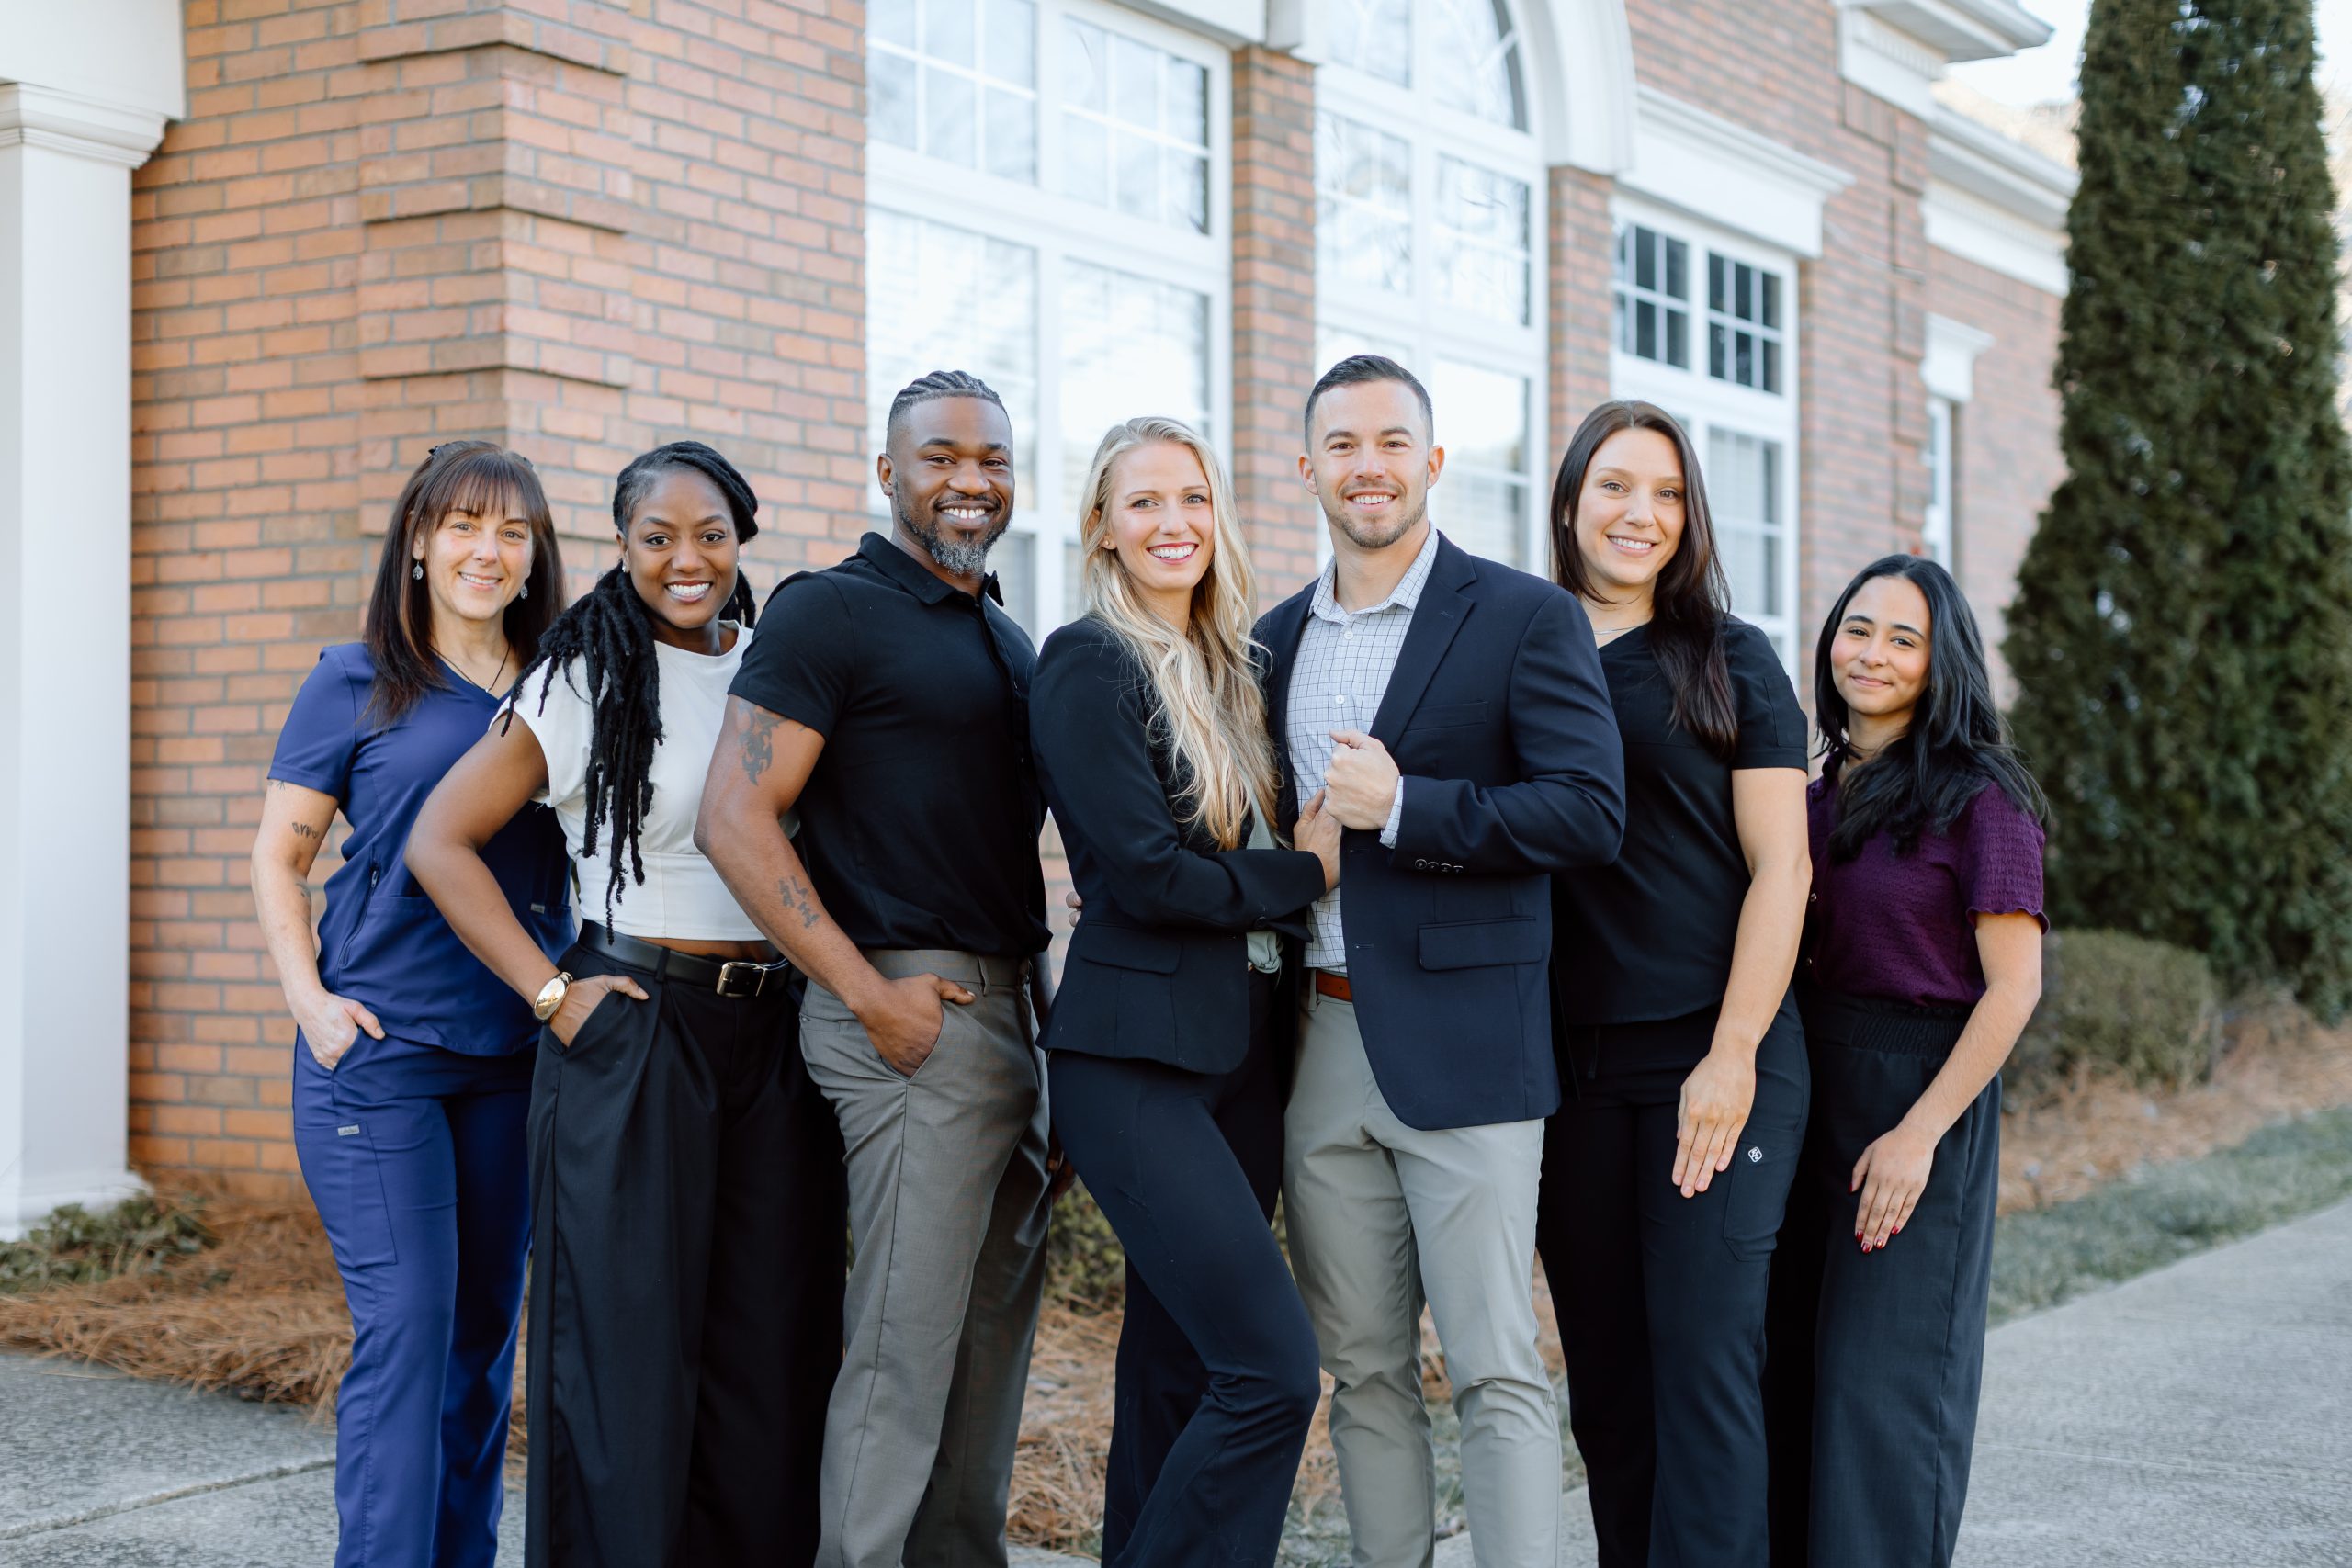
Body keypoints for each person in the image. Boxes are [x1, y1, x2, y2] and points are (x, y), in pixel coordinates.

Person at [405, 442, 842, 1567]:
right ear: (623, 548)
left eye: (709, 535)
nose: (685, 560)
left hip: (779, 1036)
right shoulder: (581, 676)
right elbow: (438, 843)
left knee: (769, 1348)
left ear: (744, 537)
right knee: (625, 1358)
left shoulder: (780, 666)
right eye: (658, 538)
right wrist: (551, 991)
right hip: (636, 1024)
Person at [1262, 355, 1626, 1568]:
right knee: (1361, 1370)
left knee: (1494, 1364)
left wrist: (1410, 805)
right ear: (1306, 464)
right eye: (1341, 443)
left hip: (1472, 1051)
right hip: (1319, 1041)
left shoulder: (1524, 612)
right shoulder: (1270, 642)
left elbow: (1588, 810)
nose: (1367, 463)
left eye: (1391, 440)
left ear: (1431, 460)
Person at [695, 370, 1054, 1568]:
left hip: (1011, 1018)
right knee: (900, 1362)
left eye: (993, 457)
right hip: (908, 1015)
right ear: (887, 470)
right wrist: (866, 994)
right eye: (942, 455)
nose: (970, 479)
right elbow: (735, 813)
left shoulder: (1006, 634)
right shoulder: (829, 612)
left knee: (983, 1360)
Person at [250, 441, 569, 1568]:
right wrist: (312, 1003)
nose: (488, 550)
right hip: (377, 1057)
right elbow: (277, 862)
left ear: (534, 558)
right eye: (465, 526)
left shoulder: (564, 683)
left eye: (512, 532)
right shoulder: (355, 679)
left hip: (515, 1057)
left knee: (484, 1342)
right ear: (421, 544)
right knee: (412, 1333)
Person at [1031, 417, 1340, 1566]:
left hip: (1242, 1060)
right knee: (1272, 1370)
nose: (1174, 525)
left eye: (1193, 499)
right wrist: (1307, 870)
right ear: (1103, 529)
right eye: (1144, 503)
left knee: (1180, 1369)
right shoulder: (1086, 660)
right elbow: (1150, 876)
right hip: (1135, 1063)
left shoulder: (1237, 667)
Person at [1531, 402, 1811, 1568]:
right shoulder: (1516, 647)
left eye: (1666, 492)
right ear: (1568, 502)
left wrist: (1732, 1052)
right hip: (1569, 1070)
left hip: (1717, 1053)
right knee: (1607, 1385)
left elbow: (1783, 867)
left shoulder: (1729, 656)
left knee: (1702, 1370)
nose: (1639, 513)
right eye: (1614, 485)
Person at [1762, 554, 2047, 1568]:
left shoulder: (1982, 800)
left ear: (1941, 664)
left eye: (1901, 639)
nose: (1869, 654)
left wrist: (1919, 1133)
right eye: (1856, 629)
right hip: (1808, 1090)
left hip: (1918, 1093)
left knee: (1880, 1386)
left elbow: (2013, 987)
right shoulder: (1808, 798)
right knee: (1791, 1365)